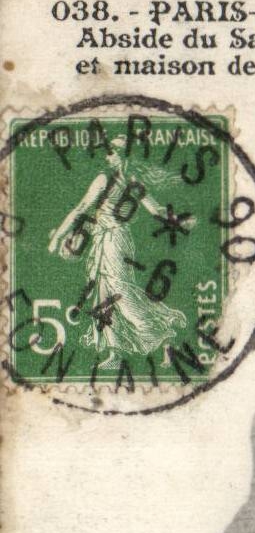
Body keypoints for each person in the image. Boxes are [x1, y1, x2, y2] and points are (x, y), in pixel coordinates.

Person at [46, 135, 194, 367]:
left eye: (115, 151)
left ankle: (164, 337)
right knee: (104, 294)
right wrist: (177, 220)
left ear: (123, 155)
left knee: (121, 292)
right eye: (110, 151)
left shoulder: (112, 180)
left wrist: (58, 236)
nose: (110, 155)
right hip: (108, 239)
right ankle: (114, 352)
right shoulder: (127, 181)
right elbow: (155, 210)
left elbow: (82, 208)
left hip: (114, 240)